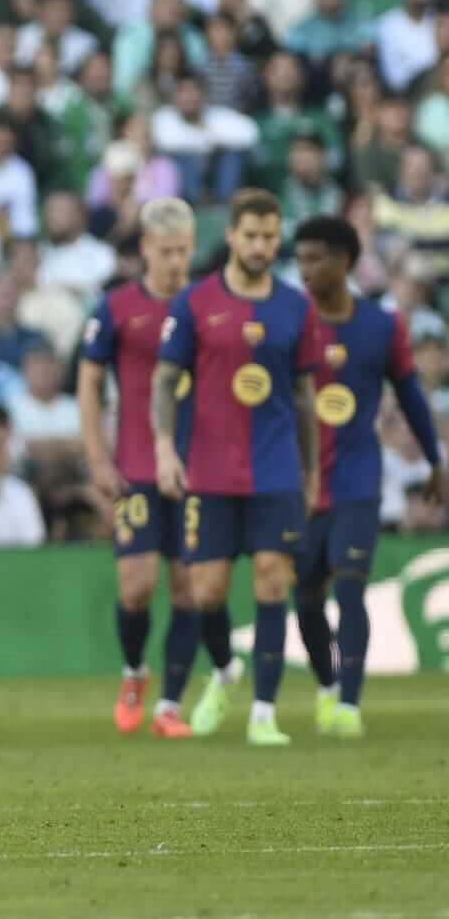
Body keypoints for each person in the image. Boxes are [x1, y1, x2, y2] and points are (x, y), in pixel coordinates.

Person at [152, 188, 322, 746]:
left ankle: (264, 714)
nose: (259, 246)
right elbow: (163, 381)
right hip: (209, 467)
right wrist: (163, 447)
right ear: (230, 236)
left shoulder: (296, 306)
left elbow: (303, 394)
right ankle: (225, 670)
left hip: (274, 469)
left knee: (274, 581)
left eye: (270, 237)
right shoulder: (196, 303)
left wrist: (311, 467)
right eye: (250, 235)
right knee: (207, 594)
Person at [289, 216, 443, 740]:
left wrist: (435, 461)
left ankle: (350, 704)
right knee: (306, 597)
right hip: (302, 482)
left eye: (315, 258)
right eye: (301, 259)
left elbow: (410, 395)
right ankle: (328, 685)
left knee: (351, 587)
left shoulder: (381, 325)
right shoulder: (292, 321)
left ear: (345, 262)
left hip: (357, 478)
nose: (305, 269)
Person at [77, 197, 200, 739]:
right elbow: (87, 382)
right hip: (135, 465)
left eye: (183, 251)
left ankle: (170, 705)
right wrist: (98, 457)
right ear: (146, 248)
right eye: (166, 251)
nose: (175, 261)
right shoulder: (117, 307)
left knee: (189, 589)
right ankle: (134, 673)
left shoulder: (208, 306)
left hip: (202, 468)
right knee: (135, 587)